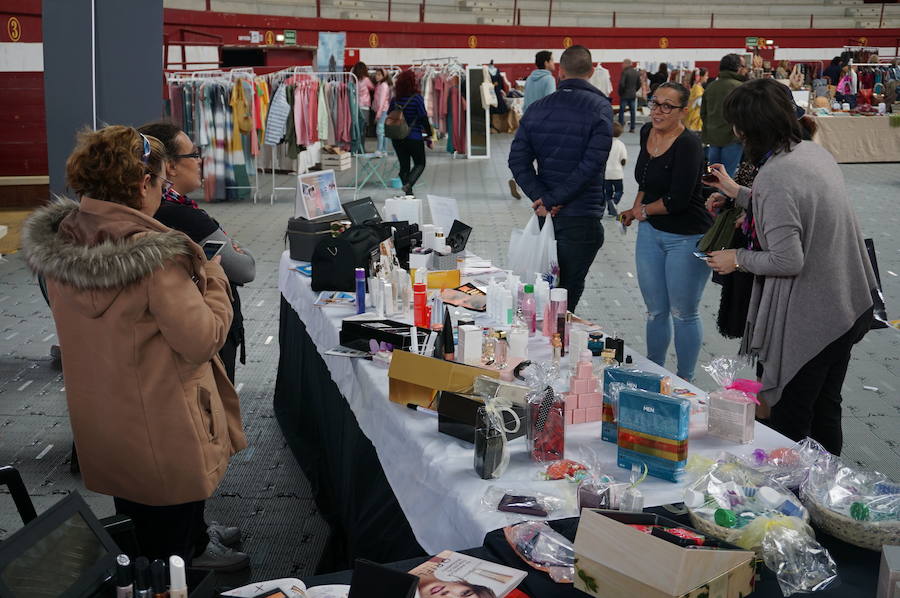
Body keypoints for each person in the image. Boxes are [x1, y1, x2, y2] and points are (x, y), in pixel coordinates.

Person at [21, 126, 248, 567]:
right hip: (164, 417)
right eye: (162, 182)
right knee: (170, 512)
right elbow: (202, 340)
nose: (163, 194)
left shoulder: (62, 242)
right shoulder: (155, 258)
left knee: (136, 509)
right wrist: (215, 277)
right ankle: (187, 557)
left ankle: (176, 551)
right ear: (144, 183)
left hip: (106, 413)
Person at [704, 78, 876, 455]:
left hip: (811, 316)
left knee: (790, 419)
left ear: (746, 129)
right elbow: (799, 210)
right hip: (843, 303)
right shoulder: (810, 153)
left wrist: (737, 259)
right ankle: (827, 494)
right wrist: (739, 194)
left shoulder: (776, 175)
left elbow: (787, 258)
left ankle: (795, 499)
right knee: (825, 407)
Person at [138, 121, 255, 384]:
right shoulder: (184, 216)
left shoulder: (141, 213)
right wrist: (232, 246)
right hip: (205, 332)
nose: (200, 161)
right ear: (170, 166)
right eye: (193, 154)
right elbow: (244, 268)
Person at [509, 44, 613, 312]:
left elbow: (517, 160)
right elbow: (592, 164)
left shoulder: (537, 108)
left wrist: (542, 197)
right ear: (591, 71)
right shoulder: (600, 107)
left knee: (543, 287)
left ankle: (539, 344)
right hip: (582, 215)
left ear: (560, 71)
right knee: (567, 293)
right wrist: (554, 198)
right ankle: (557, 345)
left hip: (546, 215)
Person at [621, 82, 712, 382]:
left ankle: (686, 380)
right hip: (651, 233)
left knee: (683, 312)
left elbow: (678, 199)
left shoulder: (689, 144)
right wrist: (635, 212)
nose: (658, 111)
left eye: (667, 106)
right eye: (654, 103)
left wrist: (642, 212)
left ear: (683, 111)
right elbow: (645, 183)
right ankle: (653, 372)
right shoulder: (647, 132)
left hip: (686, 236)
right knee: (655, 311)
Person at [509, 50, 558, 199]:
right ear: (546, 63)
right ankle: (546, 188)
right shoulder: (549, 79)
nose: (554, 63)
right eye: (552, 60)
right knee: (545, 159)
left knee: (525, 156)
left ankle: (517, 180)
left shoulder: (530, 78)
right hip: (544, 125)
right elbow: (551, 102)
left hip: (527, 121)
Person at [701, 53, 747, 177]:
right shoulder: (741, 88)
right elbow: (746, 116)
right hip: (733, 139)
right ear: (738, 68)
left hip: (713, 140)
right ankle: (722, 197)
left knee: (714, 176)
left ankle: (713, 196)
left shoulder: (710, 87)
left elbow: (703, 114)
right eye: (744, 66)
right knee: (727, 177)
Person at [390, 69, 433, 197]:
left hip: (397, 138)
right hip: (414, 136)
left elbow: (389, 115)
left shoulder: (395, 100)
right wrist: (429, 134)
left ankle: (409, 194)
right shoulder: (417, 99)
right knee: (420, 163)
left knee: (404, 166)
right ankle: (408, 185)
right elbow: (423, 117)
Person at [603, 121, 627, 218]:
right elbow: (623, 159)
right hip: (617, 173)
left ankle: (610, 207)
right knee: (619, 190)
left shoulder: (604, 143)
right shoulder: (620, 144)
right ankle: (615, 201)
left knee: (607, 192)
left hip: (606, 173)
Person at [351, 61, 375, 153]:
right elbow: (372, 87)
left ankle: (354, 148)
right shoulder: (366, 80)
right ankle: (361, 148)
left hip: (354, 106)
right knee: (363, 129)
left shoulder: (352, 79)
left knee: (355, 128)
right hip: (364, 106)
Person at [373, 67, 393, 156]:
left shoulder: (383, 86)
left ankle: (380, 150)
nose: (376, 76)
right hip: (383, 110)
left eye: (379, 75)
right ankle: (384, 150)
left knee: (380, 130)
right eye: (376, 74)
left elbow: (381, 101)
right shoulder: (380, 85)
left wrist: (378, 113)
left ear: (384, 76)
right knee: (383, 131)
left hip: (383, 110)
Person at [617, 59, 641, 133]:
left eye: (623, 64)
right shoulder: (636, 72)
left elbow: (622, 84)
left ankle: (620, 127)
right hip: (632, 95)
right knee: (633, 112)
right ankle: (632, 128)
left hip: (624, 95)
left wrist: (620, 92)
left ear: (626, 64)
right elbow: (639, 84)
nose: (622, 65)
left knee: (621, 111)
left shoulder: (625, 72)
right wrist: (634, 90)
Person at [683, 68, 707, 132]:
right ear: (701, 77)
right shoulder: (698, 88)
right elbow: (699, 103)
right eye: (706, 75)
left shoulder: (695, 87)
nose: (707, 77)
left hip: (691, 118)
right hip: (695, 119)